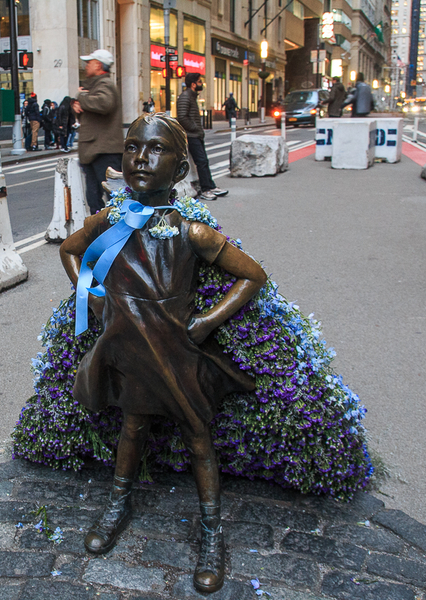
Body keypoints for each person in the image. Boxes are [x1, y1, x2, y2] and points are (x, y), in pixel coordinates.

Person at [57, 113, 267, 594]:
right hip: (129, 348)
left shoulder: (190, 231)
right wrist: (89, 294)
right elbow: (71, 251)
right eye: (132, 148)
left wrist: (208, 322)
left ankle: (212, 531)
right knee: (132, 425)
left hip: (176, 350)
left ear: (179, 169)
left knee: (198, 435)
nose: (140, 158)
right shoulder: (112, 221)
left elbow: (253, 276)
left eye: (155, 150)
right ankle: (118, 503)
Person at [73, 48, 124, 214]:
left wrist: (81, 97)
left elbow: (104, 104)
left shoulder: (105, 84)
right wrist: (78, 107)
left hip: (103, 151)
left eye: (89, 63)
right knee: (95, 196)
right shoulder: (97, 85)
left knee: (113, 197)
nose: (86, 66)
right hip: (97, 150)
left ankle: (120, 232)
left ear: (98, 65)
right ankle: (102, 229)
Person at [176, 73, 228, 201]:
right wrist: (194, 128)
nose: (201, 84)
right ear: (193, 84)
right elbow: (182, 117)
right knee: (201, 162)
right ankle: (206, 189)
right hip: (191, 135)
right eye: (199, 82)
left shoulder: (191, 96)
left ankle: (210, 186)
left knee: (203, 161)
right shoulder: (185, 97)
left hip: (196, 134)